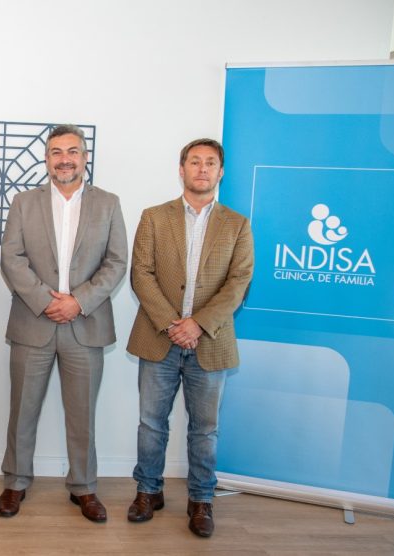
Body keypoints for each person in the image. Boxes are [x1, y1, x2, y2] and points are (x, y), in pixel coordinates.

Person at [0, 124, 128, 523]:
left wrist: (78, 301)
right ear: (47, 159)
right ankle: (15, 481)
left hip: (85, 325)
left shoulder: (108, 203)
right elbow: (11, 258)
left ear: (85, 157)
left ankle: (84, 487)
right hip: (33, 322)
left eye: (72, 151)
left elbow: (117, 262)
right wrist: (44, 300)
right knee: (22, 410)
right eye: (56, 152)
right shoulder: (24, 202)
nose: (64, 159)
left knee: (82, 413)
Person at [126, 138, 254, 538]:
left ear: (220, 172)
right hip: (159, 339)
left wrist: (197, 324)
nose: (202, 169)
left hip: (210, 342)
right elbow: (141, 273)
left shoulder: (237, 224)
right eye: (194, 162)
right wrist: (172, 323)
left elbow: (238, 282)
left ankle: (201, 500)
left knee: (205, 430)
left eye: (210, 162)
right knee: (151, 424)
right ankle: (148, 491)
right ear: (181, 170)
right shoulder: (153, 217)